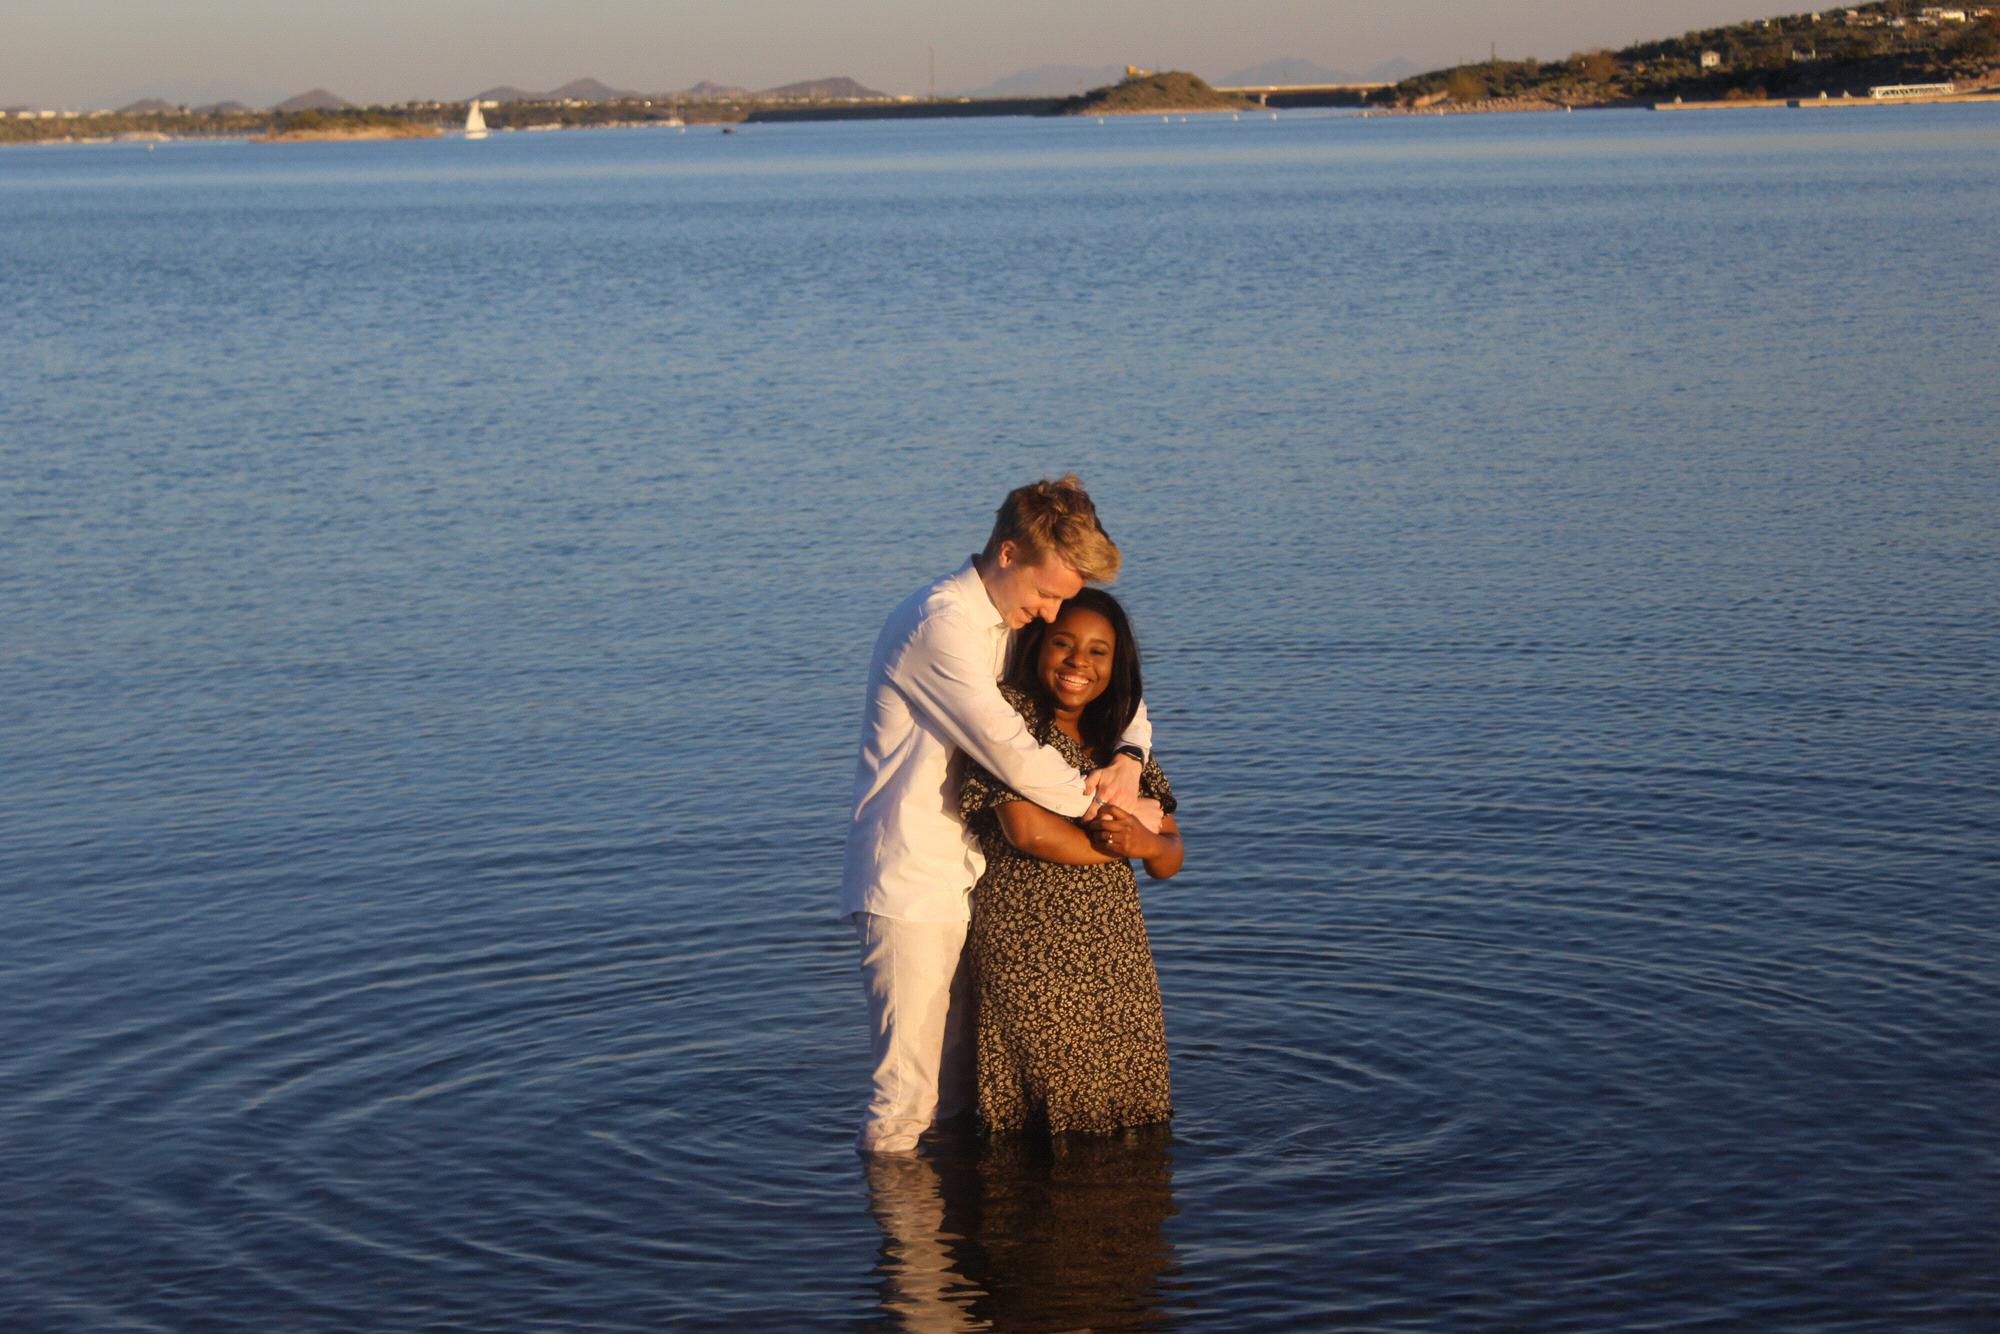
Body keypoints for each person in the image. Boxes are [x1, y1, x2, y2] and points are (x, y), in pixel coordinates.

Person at [843, 477, 1156, 1156]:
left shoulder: (1010, 615)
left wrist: (1130, 755)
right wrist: (1113, 816)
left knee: (961, 1096)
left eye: (1062, 600)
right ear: (1008, 554)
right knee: (906, 1104)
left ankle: (957, 1224)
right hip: (910, 884)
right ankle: (898, 1226)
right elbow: (1013, 753)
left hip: (972, 882)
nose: (1051, 614)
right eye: (1047, 595)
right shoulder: (940, 627)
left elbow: (1122, 692)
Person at [959, 589, 1184, 1135]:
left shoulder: (1119, 739)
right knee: (1045, 1113)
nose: (1079, 661)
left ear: (1116, 663)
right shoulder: (1011, 721)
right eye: (1064, 643)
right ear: (1038, 645)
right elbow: (1028, 831)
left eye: (1098, 651)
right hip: (1033, 952)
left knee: (1129, 1111)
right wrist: (1118, 843)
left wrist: (1146, 845)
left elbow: (1169, 853)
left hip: (1117, 955)